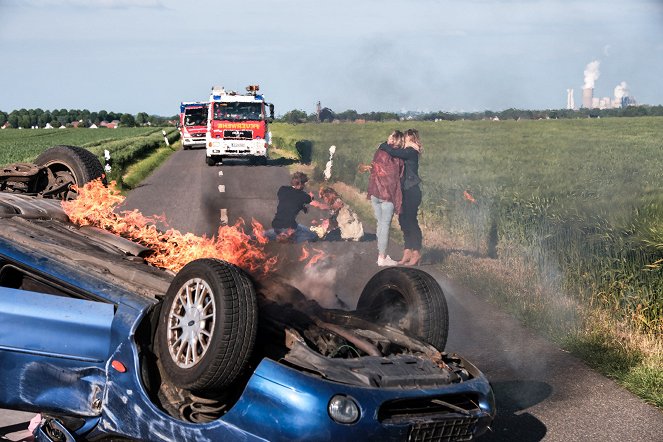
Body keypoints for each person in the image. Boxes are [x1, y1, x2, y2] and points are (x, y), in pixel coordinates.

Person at [359, 130, 404, 266]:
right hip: (387, 195)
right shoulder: (398, 157)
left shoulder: (379, 151)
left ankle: (381, 254)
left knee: (380, 224)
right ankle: (382, 257)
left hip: (375, 192)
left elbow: (374, 169)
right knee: (385, 225)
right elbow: (398, 177)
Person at [378, 128, 423, 265]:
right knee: (403, 221)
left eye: (407, 137)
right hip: (404, 191)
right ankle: (407, 252)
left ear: (413, 139)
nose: (404, 139)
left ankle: (416, 253)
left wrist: (384, 145)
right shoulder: (407, 151)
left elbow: (393, 151)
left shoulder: (411, 151)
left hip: (412, 191)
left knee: (411, 221)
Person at [267, 171, 318, 243]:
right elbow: (309, 200)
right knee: (313, 236)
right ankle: (288, 239)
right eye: (304, 184)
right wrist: (311, 197)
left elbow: (291, 201)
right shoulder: (303, 196)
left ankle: (272, 235)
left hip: (276, 225)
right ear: (301, 184)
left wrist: (301, 206)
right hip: (289, 227)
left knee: (273, 232)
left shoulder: (282, 189)